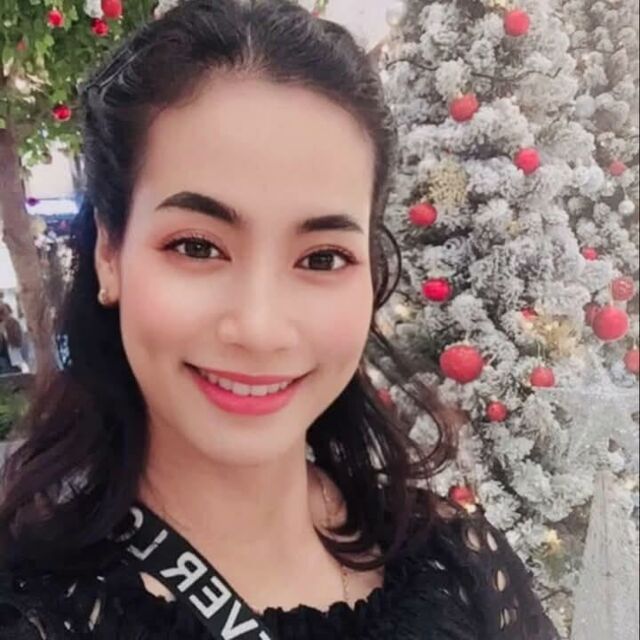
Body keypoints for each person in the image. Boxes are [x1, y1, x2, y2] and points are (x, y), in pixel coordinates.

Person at [0, 1, 558, 638]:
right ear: (110, 253)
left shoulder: (459, 565)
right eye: (197, 246)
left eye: (322, 257)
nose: (260, 328)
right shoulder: (32, 612)